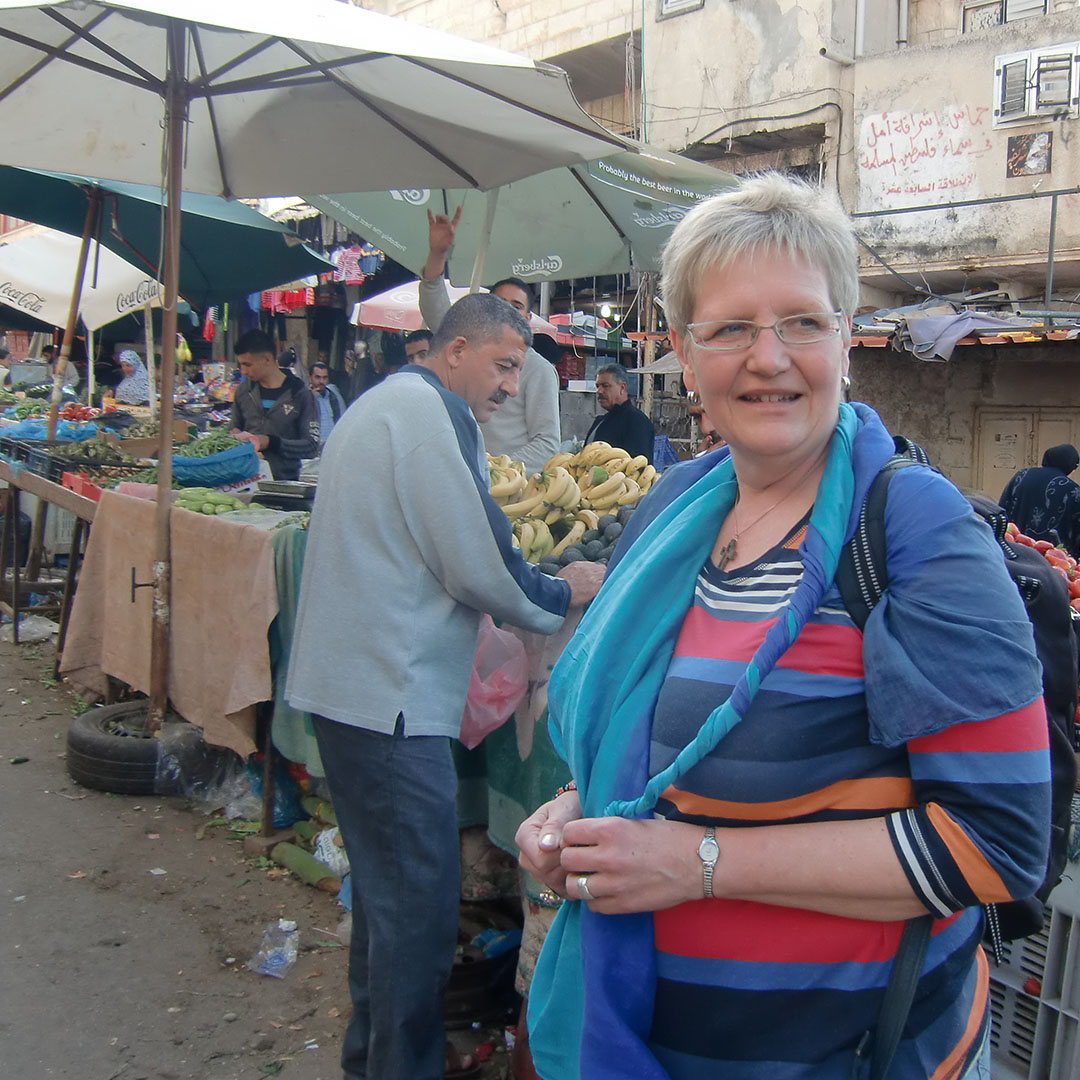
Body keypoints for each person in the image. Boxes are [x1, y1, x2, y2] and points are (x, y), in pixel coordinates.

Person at [516, 174, 1050, 1080]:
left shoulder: (917, 532)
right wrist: (578, 816)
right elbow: (644, 757)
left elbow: (996, 845)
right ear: (686, 355)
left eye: (802, 321)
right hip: (650, 1044)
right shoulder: (675, 510)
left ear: (847, 340)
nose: (768, 358)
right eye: (729, 328)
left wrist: (700, 865)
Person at [285, 292, 604, 1080]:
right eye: (500, 366)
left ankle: (373, 1062)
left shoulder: (381, 403)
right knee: (418, 914)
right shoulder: (431, 417)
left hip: (350, 689)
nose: (505, 388)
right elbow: (478, 558)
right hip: (387, 699)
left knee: (390, 905)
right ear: (453, 350)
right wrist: (564, 591)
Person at [421, 207, 561, 474]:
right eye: (499, 304)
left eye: (516, 306)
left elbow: (547, 444)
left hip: (507, 488)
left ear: (528, 317)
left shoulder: (540, 369)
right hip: (457, 472)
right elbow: (437, 314)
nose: (507, 311)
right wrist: (436, 257)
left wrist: (494, 471)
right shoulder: (470, 346)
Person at [229, 328, 319, 481]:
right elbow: (233, 427)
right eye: (241, 365)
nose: (243, 371)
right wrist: (235, 437)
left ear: (267, 359)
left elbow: (311, 446)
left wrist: (271, 442)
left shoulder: (300, 394)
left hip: (285, 483)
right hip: (246, 481)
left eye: (247, 364)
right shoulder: (244, 392)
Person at [999, 444, 1080, 556]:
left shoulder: (1022, 475)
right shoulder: (1072, 490)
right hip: (1050, 559)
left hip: (1012, 549)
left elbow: (1002, 508)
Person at [583, 362, 655, 462]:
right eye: (597, 386)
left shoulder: (637, 421)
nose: (599, 391)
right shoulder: (600, 421)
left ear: (622, 388)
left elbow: (638, 464)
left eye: (605, 386)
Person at [308, 359, 346, 448]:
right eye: (318, 377)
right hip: (312, 447)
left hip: (330, 445)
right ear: (310, 378)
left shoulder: (332, 396)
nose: (321, 381)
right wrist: (310, 398)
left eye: (325, 377)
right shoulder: (303, 396)